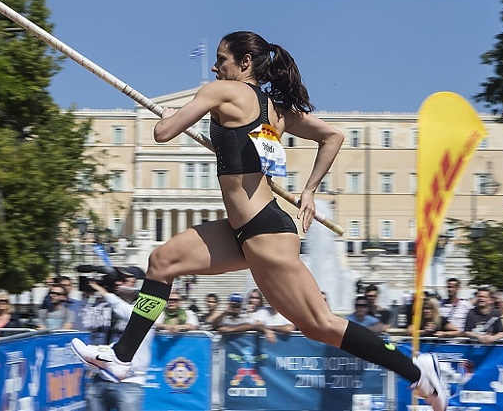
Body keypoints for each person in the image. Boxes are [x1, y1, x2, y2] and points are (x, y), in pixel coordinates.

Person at [71, 31, 446, 410]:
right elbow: (332, 136)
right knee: (161, 262)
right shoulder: (276, 111)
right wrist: (310, 190)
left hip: (266, 232)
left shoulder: (219, 91)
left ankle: (417, 370)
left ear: (244, 63)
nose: (217, 67)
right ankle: (122, 356)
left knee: (321, 325)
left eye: (222, 59)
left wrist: (173, 118)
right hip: (241, 231)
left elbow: (162, 132)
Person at [72, 268, 153, 411]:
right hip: (100, 378)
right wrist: (87, 296)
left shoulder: (149, 309)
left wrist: (104, 292)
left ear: (137, 284)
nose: (118, 283)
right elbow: (83, 323)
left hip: (129, 381)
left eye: (125, 280)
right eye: (118, 279)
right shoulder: (106, 306)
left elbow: (129, 313)